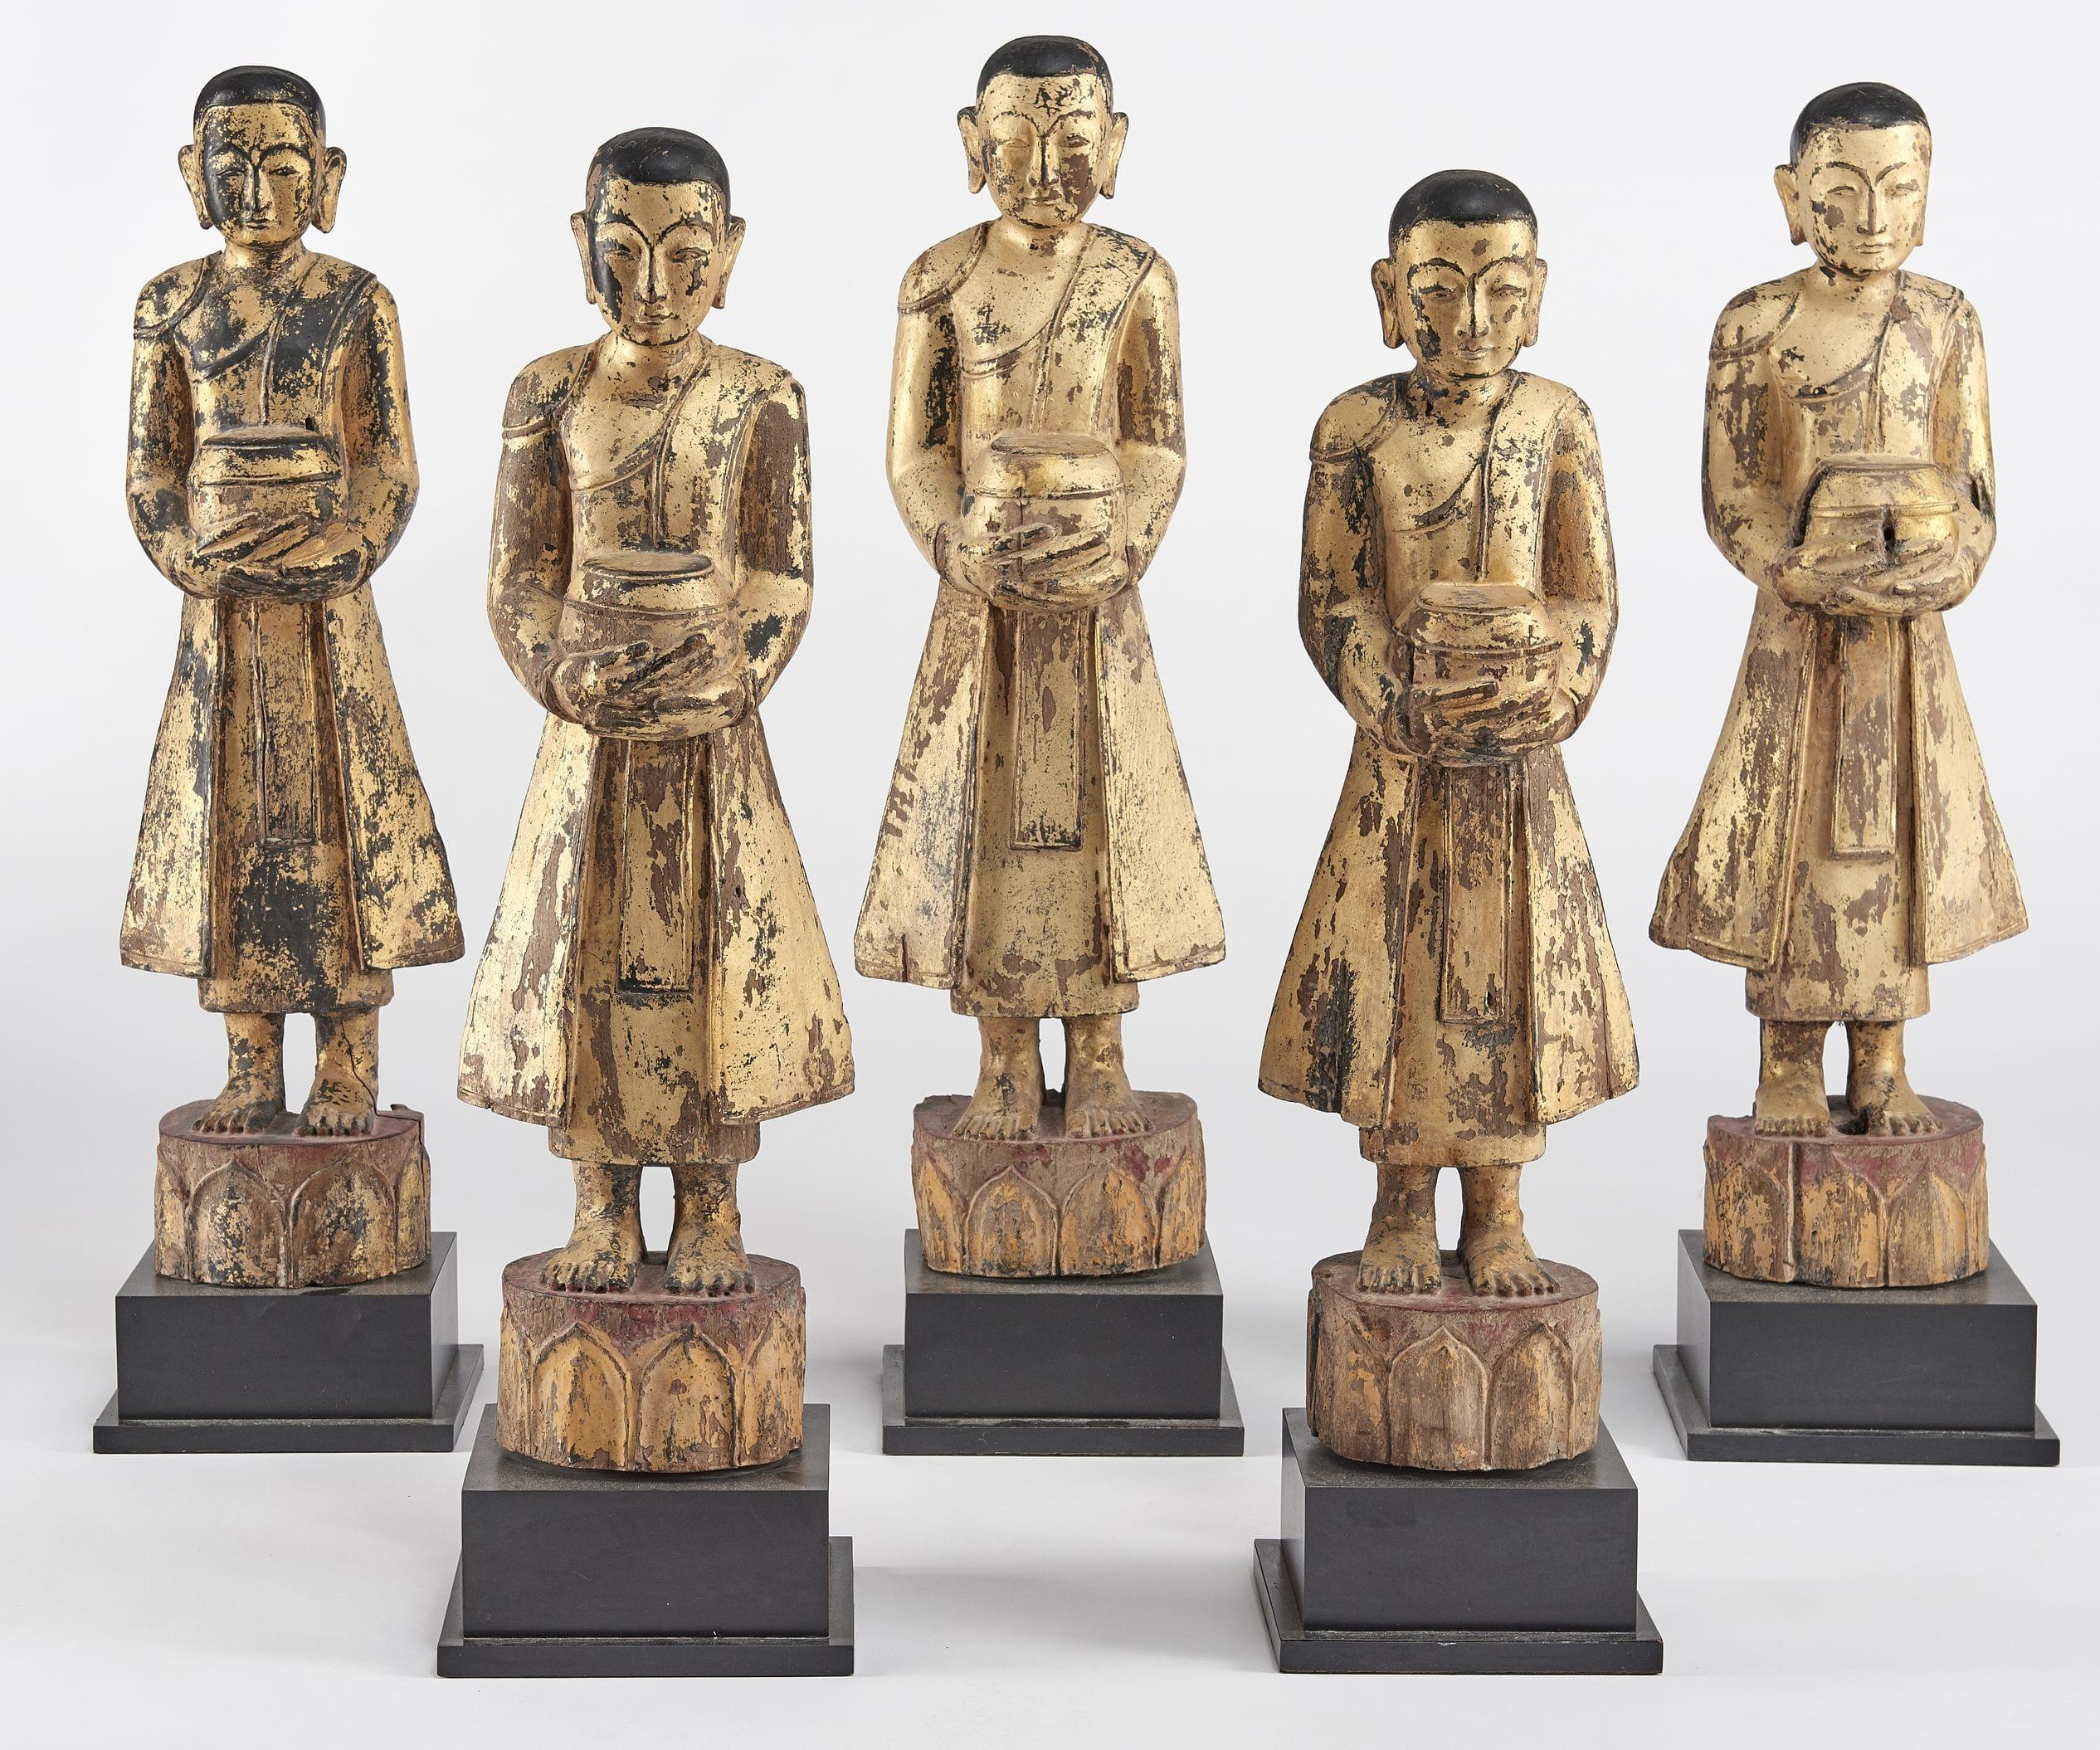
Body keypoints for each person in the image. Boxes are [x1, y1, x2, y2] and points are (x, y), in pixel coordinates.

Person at [459, 129, 851, 1294]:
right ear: (582, 250)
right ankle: (599, 1203)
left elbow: (779, 575)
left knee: (712, 959)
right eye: (624, 251)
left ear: (729, 256)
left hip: (708, 725)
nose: (655, 285)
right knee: (584, 955)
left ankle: (711, 1207)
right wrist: (558, 673)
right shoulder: (548, 392)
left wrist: (734, 675)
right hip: (590, 727)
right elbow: (521, 575)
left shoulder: (758, 395)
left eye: (686, 255)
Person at [1260, 171, 1637, 1296]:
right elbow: (1331, 598)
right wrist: (1394, 699)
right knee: (1394, 968)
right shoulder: (1356, 428)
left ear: (1536, 296)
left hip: (1518, 762)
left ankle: (1500, 1211)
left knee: (1515, 977)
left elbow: (1586, 593)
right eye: (1436, 290)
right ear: (1388, 295)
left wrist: (1554, 689)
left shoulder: (1555, 421)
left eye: (1500, 291)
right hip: (1403, 760)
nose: (1471, 320)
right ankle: (1397, 1204)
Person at [856, 35, 1223, 1142]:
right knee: (988, 827)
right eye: (1015, 144)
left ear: (1113, 146)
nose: (1044, 171)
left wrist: (1123, 543)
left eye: (1072, 143)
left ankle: (1101, 1049)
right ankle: (1004, 1054)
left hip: (1096, 604)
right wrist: (953, 544)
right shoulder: (939, 281)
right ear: (974, 145)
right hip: (984, 604)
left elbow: (1156, 444)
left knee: (1105, 828)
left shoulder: (1135, 277)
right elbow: (914, 454)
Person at [1652, 83, 2024, 1138]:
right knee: (1789, 840)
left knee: (1898, 839)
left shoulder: (1945, 320)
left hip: (1907, 648)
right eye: (1841, 190)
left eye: (1897, 189)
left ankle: (1883, 1060)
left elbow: (1973, 487)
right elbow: (1732, 493)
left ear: (1926, 194)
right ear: (1791, 196)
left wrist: (1951, 559)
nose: (1871, 217)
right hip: (1798, 639)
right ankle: (1784, 1058)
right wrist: (1791, 568)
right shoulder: (1755, 323)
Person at [123, 65, 460, 1137]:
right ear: (193, 176)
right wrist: (186, 553)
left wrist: (343, 548)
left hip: (325, 612)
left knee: (343, 822)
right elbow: (152, 468)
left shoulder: (355, 301)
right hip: (221, 614)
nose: (258, 190)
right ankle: (250, 1062)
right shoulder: (170, 304)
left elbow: (387, 465)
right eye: (233, 166)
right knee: (229, 825)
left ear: (327, 176)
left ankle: (349, 1061)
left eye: (283, 165)